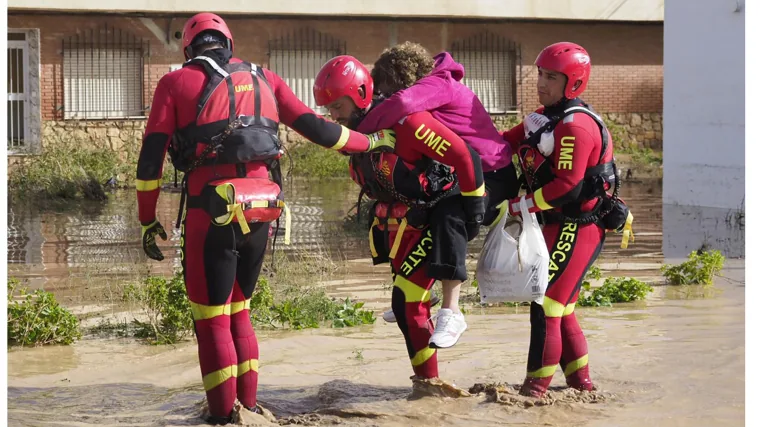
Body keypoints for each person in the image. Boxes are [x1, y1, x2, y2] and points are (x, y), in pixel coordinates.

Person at [135, 13, 396, 425]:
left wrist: (147, 220)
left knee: (211, 318)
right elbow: (320, 130)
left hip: (211, 210)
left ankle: (223, 418)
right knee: (240, 310)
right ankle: (250, 409)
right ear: (229, 44)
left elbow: (150, 163)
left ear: (189, 48)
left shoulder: (174, 82)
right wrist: (373, 140)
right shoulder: (265, 78)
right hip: (263, 211)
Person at [313, 55, 485, 386]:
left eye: (337, 106)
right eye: (328, 109)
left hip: (439, 210)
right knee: (404, 304)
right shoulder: (354, 133)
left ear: (361, 94)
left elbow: (465, 155)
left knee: (408, 302)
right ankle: (428, 384)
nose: (333, 115)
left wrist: (474, 207)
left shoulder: (409, 124)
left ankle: (429, 386)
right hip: (406, 220)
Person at [358, 42, 520, 348]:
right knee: (420, 210)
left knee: (450, 215)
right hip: (465, 172)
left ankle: (452, 311)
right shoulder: (434, 85)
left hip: (494, 174)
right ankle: (423, 291)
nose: (382, 99)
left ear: (400, 78)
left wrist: (359, 134)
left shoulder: (439, 83)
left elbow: (403, 104)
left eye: (384, 90)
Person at [501, 41, 633, 398]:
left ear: (572, 82)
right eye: (540, 74)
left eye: (551, 77)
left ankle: (533, 393)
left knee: (546, 306)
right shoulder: (543, 117)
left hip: (579, 226)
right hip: (558, 226)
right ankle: (583, 388)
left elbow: (567, 185)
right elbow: (504, 143)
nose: (541, 83)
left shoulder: (576, 126)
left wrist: (520, 206)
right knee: (564, 307)